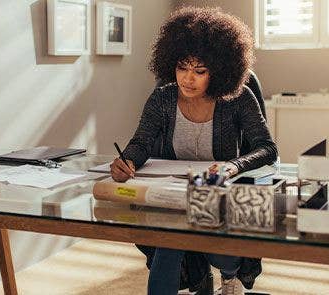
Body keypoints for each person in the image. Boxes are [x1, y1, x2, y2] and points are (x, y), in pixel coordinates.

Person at [109, 6, 278, 295]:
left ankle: (229, 277)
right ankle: (207, 277)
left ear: (221, 70)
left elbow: (267, 148)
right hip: (175, 194)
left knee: (215, 249)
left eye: (200, 71)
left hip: (218, 193)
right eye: (182, 68)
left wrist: (232, 166)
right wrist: (126, 161)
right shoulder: (162, 98)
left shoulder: (238, 98)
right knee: (167, 242)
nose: (188, 78)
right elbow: (141, 143)